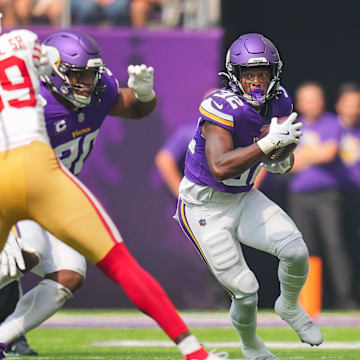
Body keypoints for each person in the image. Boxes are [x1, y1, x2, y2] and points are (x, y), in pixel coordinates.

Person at [0, 28, 227, 360]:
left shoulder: (99, 88)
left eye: (91, 75)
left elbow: (135, 108)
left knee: (70, 275)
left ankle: (4, 336)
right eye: (78, 76)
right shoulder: (36, 98)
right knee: (25, 254)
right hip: (18, 182)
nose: (87, 84)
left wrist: (146, 94)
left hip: (53, 190)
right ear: (53, 73)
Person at [174, 33, 323, 360]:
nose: (256, 81)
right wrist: (267, 146)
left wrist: (283, 157)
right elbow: (220, 167)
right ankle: (251, 345)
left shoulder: (280, 100)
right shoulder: (220, 106)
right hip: (204, 206)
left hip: (242, 197)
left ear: (274, 73)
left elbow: (279, 157)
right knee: (245, 290)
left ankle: (288, 305)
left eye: (262, 73)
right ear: (234, 76)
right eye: (248, 74)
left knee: (296, 251)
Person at [288, 81, 356, 309]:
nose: (312, 103)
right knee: (304, 249)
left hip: (327, 196)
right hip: (299, 197)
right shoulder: (293, 126)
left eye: (315, 98)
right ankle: (308, 302)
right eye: (307, 99)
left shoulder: (331, 123)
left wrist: (302, 155)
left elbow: (328, 153)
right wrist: (306, 156)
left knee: (334, 245)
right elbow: (284, 162)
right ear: (299, 103)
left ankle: (344, 300)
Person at [336, 82, 360, 305]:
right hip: (337, 198)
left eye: (357, 105)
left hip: (357, 197)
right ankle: (339, 298)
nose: (353, 109)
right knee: (337, 246)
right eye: (349, 104)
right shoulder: (330, 128)